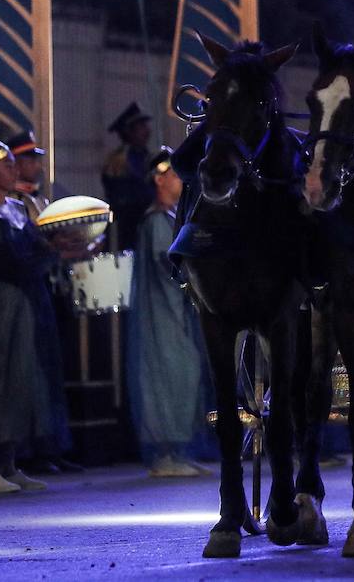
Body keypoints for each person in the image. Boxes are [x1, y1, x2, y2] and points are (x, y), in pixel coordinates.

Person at [0, 137, 80, 493]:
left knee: (18, 383)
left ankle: (9, 465)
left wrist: (63, 245)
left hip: (23, 310)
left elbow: (35, 247)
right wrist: (52, 254)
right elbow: (7, 264)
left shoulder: (15, 209)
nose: (15, 170)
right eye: (7, 165)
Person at [127, 147, 216, 476]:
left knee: (186, 375)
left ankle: (179, 450)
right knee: (168, 377)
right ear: (159, 179)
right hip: (162, 317)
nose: (182, 181)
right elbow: (167, 263)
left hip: (179, 314)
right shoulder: (155, 221)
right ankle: (164, 453)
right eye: (175, 175)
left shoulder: (172, 218)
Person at [4, 130, 82, 476]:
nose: (36, 165)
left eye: (37, 158)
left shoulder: (38, 200)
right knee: (32, 371)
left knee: (50, 370)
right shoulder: (15, 204)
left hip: (50, 287)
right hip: (30, 289)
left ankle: (52, 446)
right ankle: (32, 449)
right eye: (29, 159)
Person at [103, 102, 155, 249]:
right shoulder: (118, 161)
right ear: (128, 131)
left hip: (146, 225)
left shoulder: (147, 156)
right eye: (141, 126)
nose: (147, 130)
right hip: (127, 229)